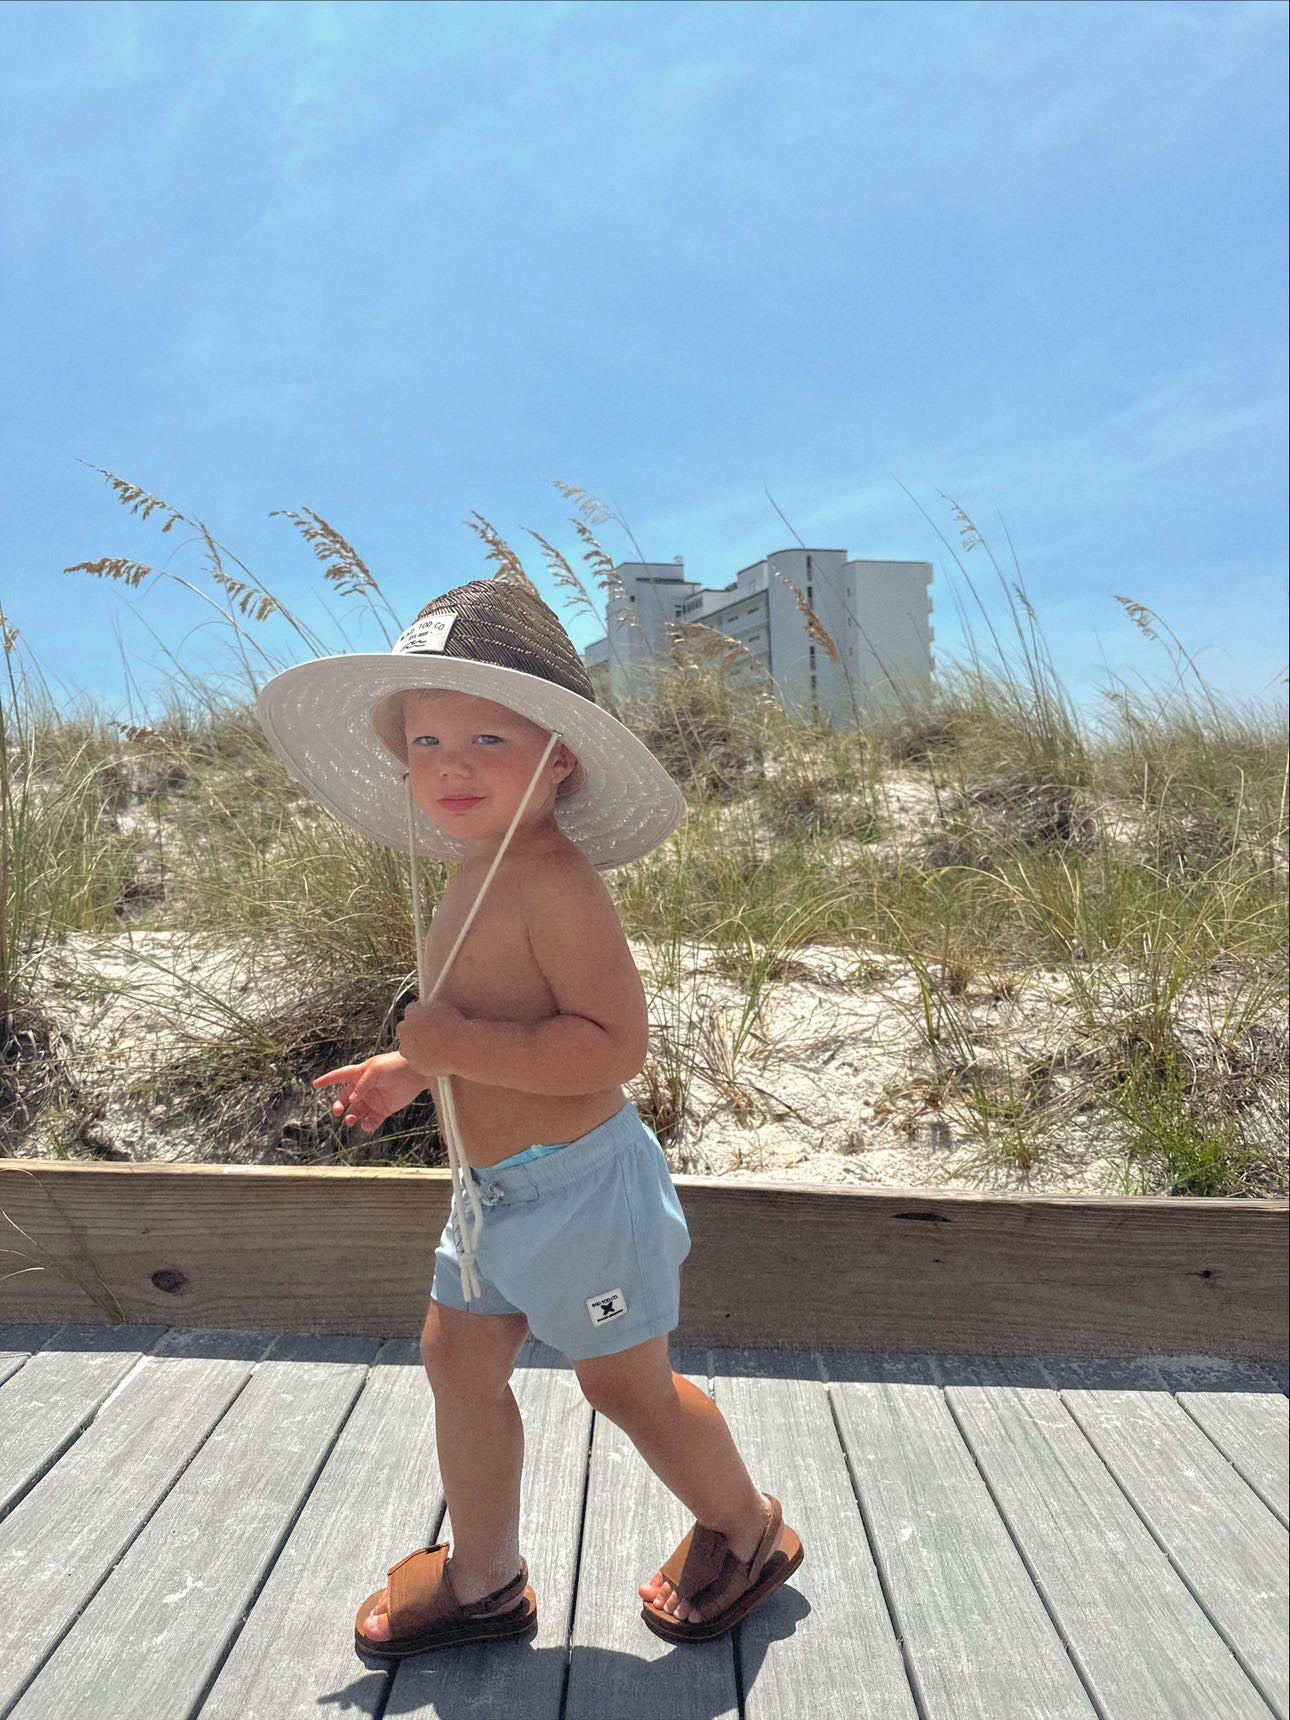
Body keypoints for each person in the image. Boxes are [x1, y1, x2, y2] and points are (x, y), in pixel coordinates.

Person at [255, 574, 803, 1658]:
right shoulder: (474, 868)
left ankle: (748, 1530)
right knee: (457, 1364)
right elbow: (484, 1021)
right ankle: (485, 1573)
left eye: (488, 738)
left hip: (582, 1188)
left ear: (558, 758)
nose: (450, 763)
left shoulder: (555, 880)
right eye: (426, 741)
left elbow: (611, 1048)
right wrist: (413, 1068)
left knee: (625, 1385)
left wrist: (449, 1045)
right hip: (490, 1194)